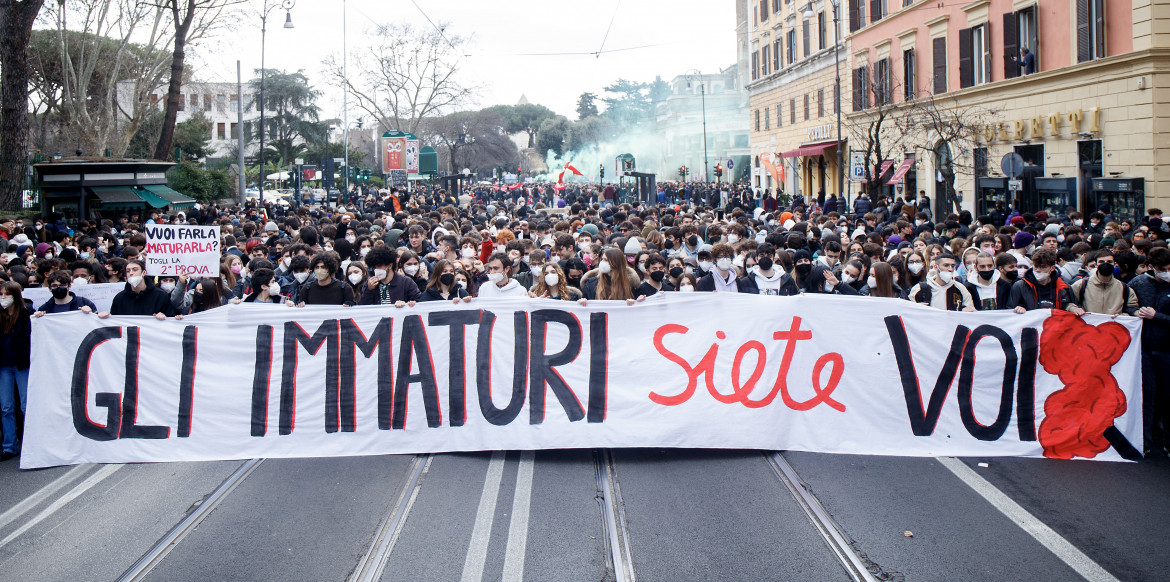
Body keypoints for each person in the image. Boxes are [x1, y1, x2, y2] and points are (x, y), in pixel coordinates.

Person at [1130, 247, 1170, 456]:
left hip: (1166, 351)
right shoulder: (1138, 284)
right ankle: (1144, 441)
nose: (1167, 272)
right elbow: (1125, 305)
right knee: (1146, 395)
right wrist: (1133, 312)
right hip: (1143, 349)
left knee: (1167, 396)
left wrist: (1158, 316)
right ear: (1152, 268)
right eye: (1163, 269)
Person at [0, 281, 30, 461]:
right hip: (4, 365)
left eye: (6, 294)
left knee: (26, 406)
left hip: (21, 365)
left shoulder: (26, 315)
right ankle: (9, 446)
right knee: (6, 407)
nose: (3, 298)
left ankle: (28, 442)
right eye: (1, 294)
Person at [1065, 249, 1139, 317]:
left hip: (1113, 328)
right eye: (1101, 262)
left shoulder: (1125, 289)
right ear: (1096, 264)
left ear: (1115, 264)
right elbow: (1066, 302)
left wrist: (1123, 316)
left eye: (1109, 262)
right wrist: (1073, 308)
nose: (1105, 264)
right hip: (1088, 328)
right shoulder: (1081, 285)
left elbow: (1132, 309)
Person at [100, 260, 177, 319]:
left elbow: (170, 319)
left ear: (144, 272)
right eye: (128, 271)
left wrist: (164, 316)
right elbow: (114, 321)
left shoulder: (160, 296)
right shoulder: (119, 298)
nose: (131, 273)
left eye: (135, 270)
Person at [908, 253, 975, 311]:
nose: (950, 269)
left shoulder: (960, 289)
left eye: (952, 266)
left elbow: (970, 310)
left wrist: (966, 310)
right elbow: (908, 312)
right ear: (936, 267)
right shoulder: (919, 289)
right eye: (946, 265)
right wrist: (916, 308)